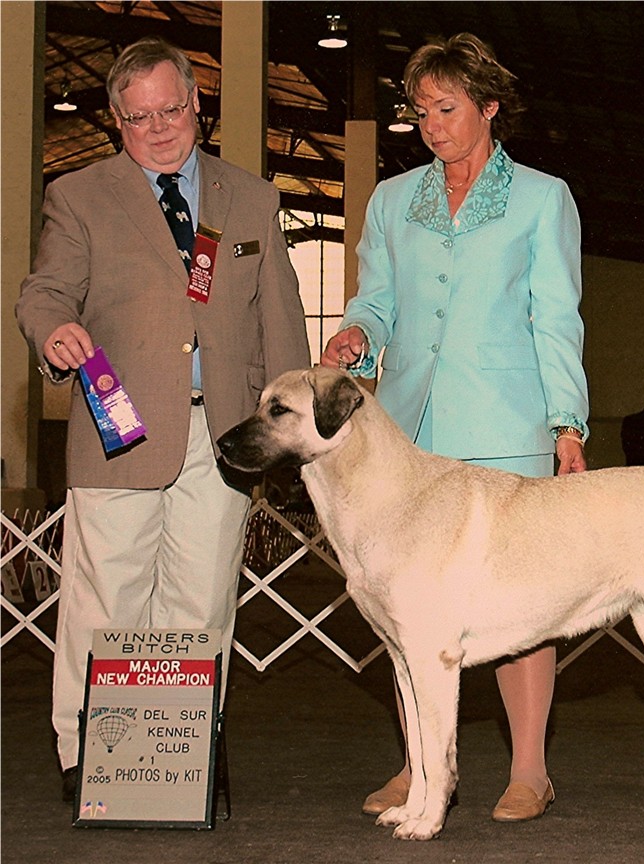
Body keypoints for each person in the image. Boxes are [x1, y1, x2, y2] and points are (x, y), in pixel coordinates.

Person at [15, 36, 310, 802]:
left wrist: (291, 434)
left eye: (171, 109)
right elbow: (43, 293)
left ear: (196, 105)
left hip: (223, 440)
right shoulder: (79, 195)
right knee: (103, 605)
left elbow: (281, 325)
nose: (158, 127)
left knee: (202, 605)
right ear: (116, 120)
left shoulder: (253, 198)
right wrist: (53, 333)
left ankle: (184, 759)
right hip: (121, 433)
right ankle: (88, 757)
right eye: (138, 116)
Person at [321, 32, 589, 823]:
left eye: (447, 108)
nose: (433, 125)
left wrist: (567, 424)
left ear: (489, 107)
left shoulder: (543, 198)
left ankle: (530, 769)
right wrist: (356, 335)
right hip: (409, 434)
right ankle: (421, 764)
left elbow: (556, 320)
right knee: (411, 610)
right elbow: (377, 300)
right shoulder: (394, 201)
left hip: (508, 424)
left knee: (526, 607)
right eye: (421, 111)